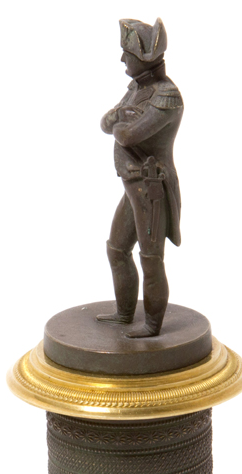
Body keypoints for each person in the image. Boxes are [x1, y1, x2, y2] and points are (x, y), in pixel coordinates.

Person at [96, 18, 183, 338]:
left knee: (151, 258)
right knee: (117, 249)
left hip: (151, 187)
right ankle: (124, 314)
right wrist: (118, 117)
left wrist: (119, 123)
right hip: (133, 186)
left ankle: (152, 325)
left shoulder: (166, 96)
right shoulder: (137, 89)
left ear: (144, 58)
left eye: (127, 54)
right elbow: (105, 124)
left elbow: (127, 136)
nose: (122, 59)